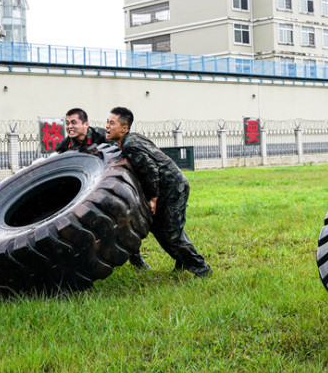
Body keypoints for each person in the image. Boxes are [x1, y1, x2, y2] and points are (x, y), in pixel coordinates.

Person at [104, 107, 212, 277]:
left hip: (173, 188)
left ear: (124, 128)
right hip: (165, 188)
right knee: (159, 229)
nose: (107, 126)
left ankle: (201, 268)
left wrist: (153, 199)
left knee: (172, 232)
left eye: (112, 123)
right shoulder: (131, 139)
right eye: (107, 122)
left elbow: (151, 170)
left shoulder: (130, 145)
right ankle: (182, 261)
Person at [56, 108, 150, 270]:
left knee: (122, 222)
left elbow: (120, 161)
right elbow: (54, 164)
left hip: (110, 188)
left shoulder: (102, 137)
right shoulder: (67, 144)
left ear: (86, 125)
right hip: (83, 192)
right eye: (67, 123)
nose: (69, 127)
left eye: (74, 123)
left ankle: (135, 256)